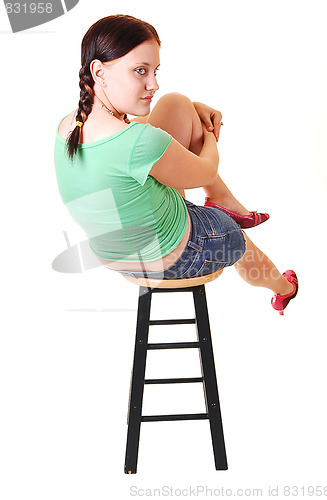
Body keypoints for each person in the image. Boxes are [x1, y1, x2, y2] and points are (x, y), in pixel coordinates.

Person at [54, 14, 298, 315]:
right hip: (173, 256)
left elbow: (138, 141)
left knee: (176, 102)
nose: (153, 83)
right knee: (235, 236)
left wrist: (192, 109)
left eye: (155, 71)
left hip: (114, 252)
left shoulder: (70, 125)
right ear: (99, 71)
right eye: (140, 71)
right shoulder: (138, 143)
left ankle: (223, 200)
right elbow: (205, 170)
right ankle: (284, 290)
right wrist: (208, 132)